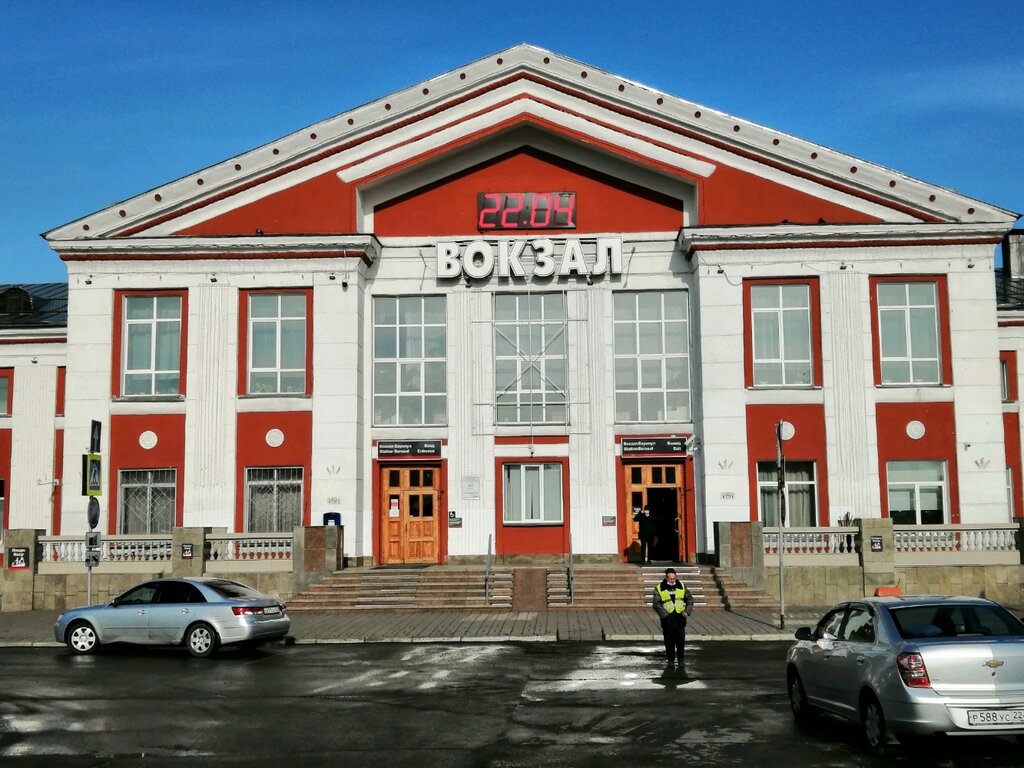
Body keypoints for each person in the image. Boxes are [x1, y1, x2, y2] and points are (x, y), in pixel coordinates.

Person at [652, 567, 694, 667]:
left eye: (674, 578)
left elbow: (690, 600)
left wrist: (687, 612)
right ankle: (671, 660)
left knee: (680, 641)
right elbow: (656, 604)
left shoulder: (682, 586)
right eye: (671, 579)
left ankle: (681, 660)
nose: (673, 580)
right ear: (666, 578)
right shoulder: (659, 588)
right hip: (667, 618)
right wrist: (665, 616)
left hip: (680, 617)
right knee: (669, 641)